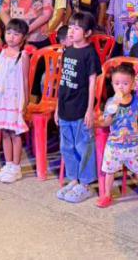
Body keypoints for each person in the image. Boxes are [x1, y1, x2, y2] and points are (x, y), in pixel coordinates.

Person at [96, 62, 138, 210]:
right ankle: (107, 195)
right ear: (112, 84)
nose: (121, 87)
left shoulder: (136, 102)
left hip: (132, 146)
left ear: (132, 84)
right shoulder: (110, 102)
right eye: (117, 83)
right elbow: (106, 122)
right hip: (114, 146)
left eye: (125, 83)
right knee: (109, 171)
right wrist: (108, 114)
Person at [55, 12, 102, 204]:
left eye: (77, 28)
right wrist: (57, 108)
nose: (71, 31)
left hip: (81, 107)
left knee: (84, 145)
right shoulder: (67, 51)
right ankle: (73, 179)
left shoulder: (89, 53)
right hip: (65, 107)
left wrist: (90, 109)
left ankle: (86, 183)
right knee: (66, 146)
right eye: (70, 27)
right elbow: (63, 81)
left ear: (88, 32)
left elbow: (92, 83)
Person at [0, 19, 30, 183]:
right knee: (4, 132)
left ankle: (16, 167)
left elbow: (25, 80)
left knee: (15, 133)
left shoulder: (22, 56)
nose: (11, 37)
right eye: (9, 33)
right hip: (2, 99)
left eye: (16, 34)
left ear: (23, 37)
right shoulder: (1, 53)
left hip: (15, 99)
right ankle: (8, 163)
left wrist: (25, 103)